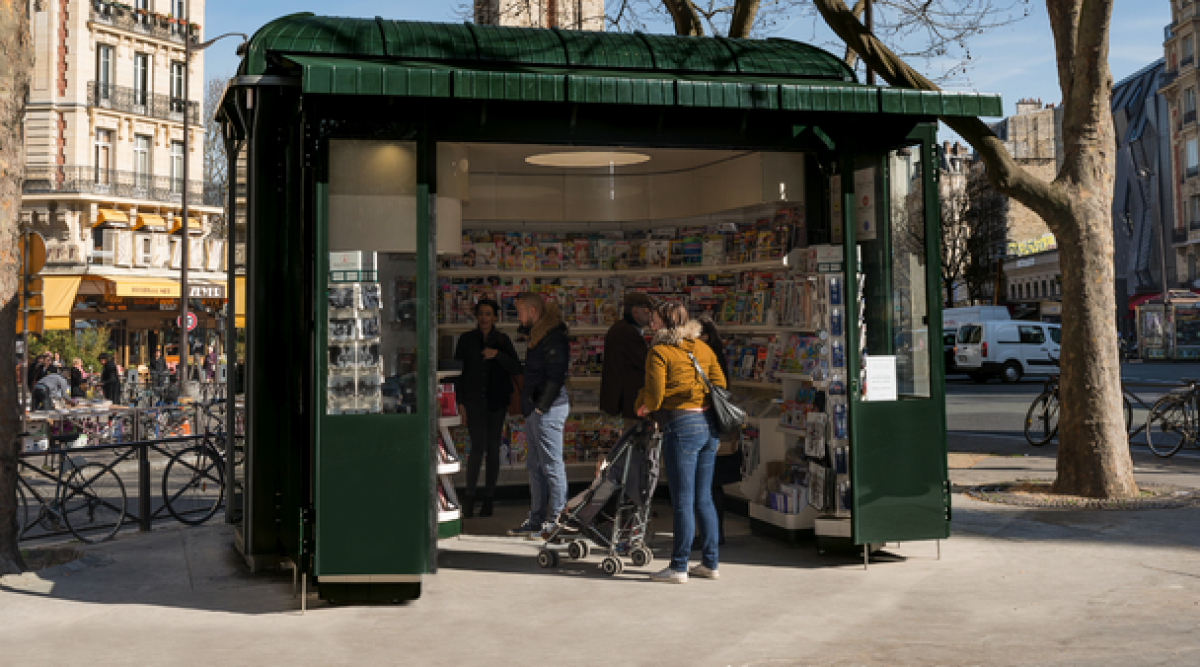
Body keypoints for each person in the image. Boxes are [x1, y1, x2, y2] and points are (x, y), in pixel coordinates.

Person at [636, 302, 726, 584]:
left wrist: (642, 406)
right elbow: (720, 383)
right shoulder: (702, 348)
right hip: (708, 425)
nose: (650, 325)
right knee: (704, 498)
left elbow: (655, 397)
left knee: (682, 501)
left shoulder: (659, 352)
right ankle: (710, 563)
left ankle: (678, 566)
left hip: (681, 424)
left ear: (665, 324)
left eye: (654, 320)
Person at [508, 293, 570, 538]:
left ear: (533, 311)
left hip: (548, 408)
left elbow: (556, 376)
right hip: (539, 407)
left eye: (521, 311)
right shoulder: (538, 333)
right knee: (534, 465)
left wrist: (541, 407)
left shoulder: (552, 337)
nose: (519, 317)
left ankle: (556, 521)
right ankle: (536, 519)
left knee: (552, 465)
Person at [454, 299, 522, 519]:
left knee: (493, 449)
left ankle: (489, 498)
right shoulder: (466, 340)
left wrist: (498, 355)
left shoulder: (502, 340)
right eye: (481, 313)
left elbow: (516, 367)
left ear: (495, 317)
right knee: (476, 448)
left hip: (495, 401)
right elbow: (458, 374)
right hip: (473, 401)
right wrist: (460, 403)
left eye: (488, 314)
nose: (484, 317)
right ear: (476, 316)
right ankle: (470, 497)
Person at [698, 316, 737, 546]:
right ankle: (714, 533)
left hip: (709, 422)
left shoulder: (708, 355)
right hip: (717, 425)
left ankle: (711, 534)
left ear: (704, 336)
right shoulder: (717, 353)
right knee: (714, 483)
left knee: (709, 483)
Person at [599, 292, 653, 426]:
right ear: (635, 312)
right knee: (636, 437)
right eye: (647, 310)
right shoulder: (629, 333)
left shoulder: (621, 329)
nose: (651, 315)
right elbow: (645, 363)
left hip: (624, 398)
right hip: (631, 399)